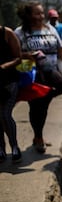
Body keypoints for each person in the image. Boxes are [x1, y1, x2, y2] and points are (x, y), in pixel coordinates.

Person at [15, 0, 62, 153]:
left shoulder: (50, 29)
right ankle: (38, 137)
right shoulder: (20, 33)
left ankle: (38, 135)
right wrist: (28, 56)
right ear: (28, 15)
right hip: (32, 75)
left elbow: (61, 49)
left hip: (51, 72)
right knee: (37, 108)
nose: (41, 16)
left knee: (60, 87)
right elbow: (13, 54)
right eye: (37, 13)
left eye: (42, 12)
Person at [0, 25, 22, 163]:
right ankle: (1, 149)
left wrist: (4, 66)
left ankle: (15, 147)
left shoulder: (7, 33)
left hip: (9, 82)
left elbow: (18, 58)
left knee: (5, 115)